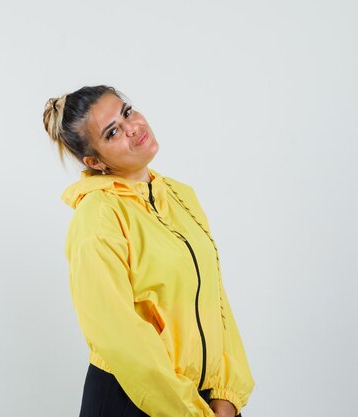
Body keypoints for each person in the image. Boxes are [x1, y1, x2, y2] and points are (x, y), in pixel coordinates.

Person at [42, 85, 254, 417]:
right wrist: (189, 410)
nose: (132, 128)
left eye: (127, 112)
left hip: (204, 400)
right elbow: (118, 334)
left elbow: (215, 299)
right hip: (135, 401)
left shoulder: (180, 195)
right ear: (94, 161)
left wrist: (227, 393)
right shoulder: (98, 217)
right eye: (112, 132)